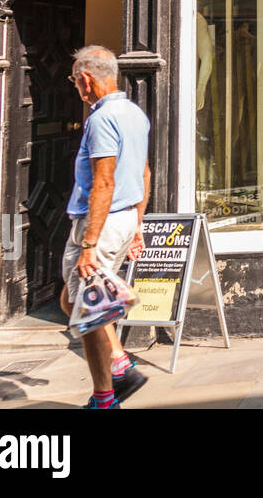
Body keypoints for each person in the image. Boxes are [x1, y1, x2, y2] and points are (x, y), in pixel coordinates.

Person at [61, 45, 151, 409]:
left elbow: (104, 182)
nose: (76, 87)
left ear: (86, 79)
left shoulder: (101, 119)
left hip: (101, 222)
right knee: (72, 301)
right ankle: (118, 363)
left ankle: (106, 394)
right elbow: (144, 173)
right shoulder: (134, 113)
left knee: (88, 312)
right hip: (124, 217)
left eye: (74, 80)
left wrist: (88, 244)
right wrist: (138, 225)